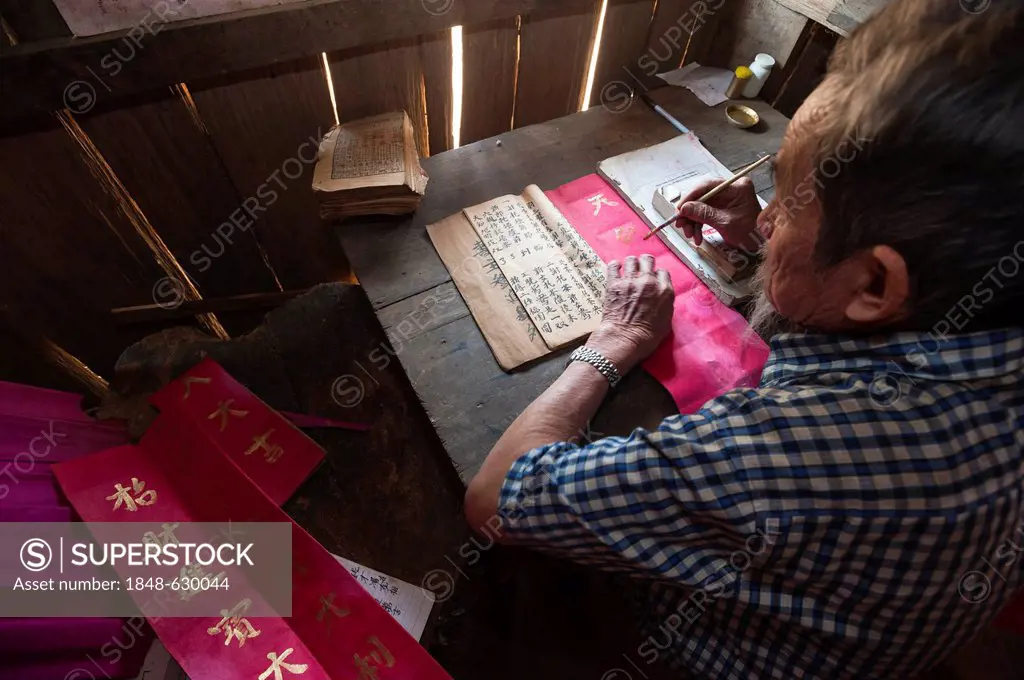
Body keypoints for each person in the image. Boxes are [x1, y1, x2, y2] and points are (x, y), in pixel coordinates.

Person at [463, 0, 1024, 678]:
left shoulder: (792, 451)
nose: (764, 219)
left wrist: (612, 342)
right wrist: (783, 252)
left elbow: (497, 499)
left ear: (874, 283)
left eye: (786, 203)